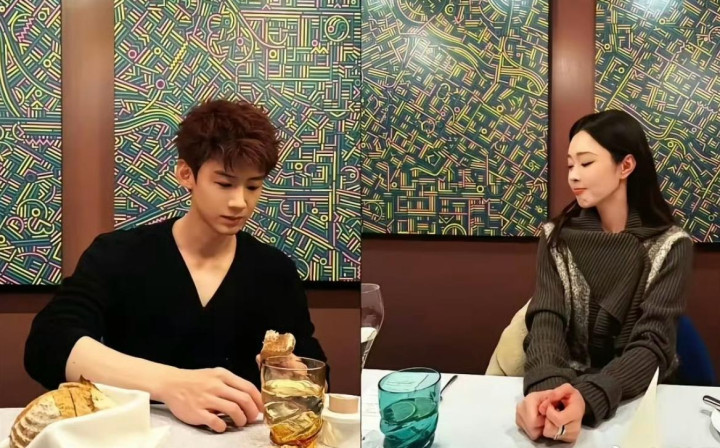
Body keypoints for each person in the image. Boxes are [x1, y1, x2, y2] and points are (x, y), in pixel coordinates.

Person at [25, 99, 328, 433]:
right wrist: (170, 383)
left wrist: (296, 375)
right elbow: (49, 344)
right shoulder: (119, 254)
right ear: (186, 174)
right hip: (136, 435)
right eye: (224, 183)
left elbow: (317, 371)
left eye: (253, 186)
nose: (240, 202)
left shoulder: (274, 271)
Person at [515, 110, 693, 442]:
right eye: (570, 165)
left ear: (625, 166)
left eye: (586, 163)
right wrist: (549, 392)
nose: (573, 176)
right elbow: (546, 320)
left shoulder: (671, 246)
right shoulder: (556, 237)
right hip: (564, 386)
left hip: (639, 403)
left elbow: (653, 343)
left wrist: (589, 397)